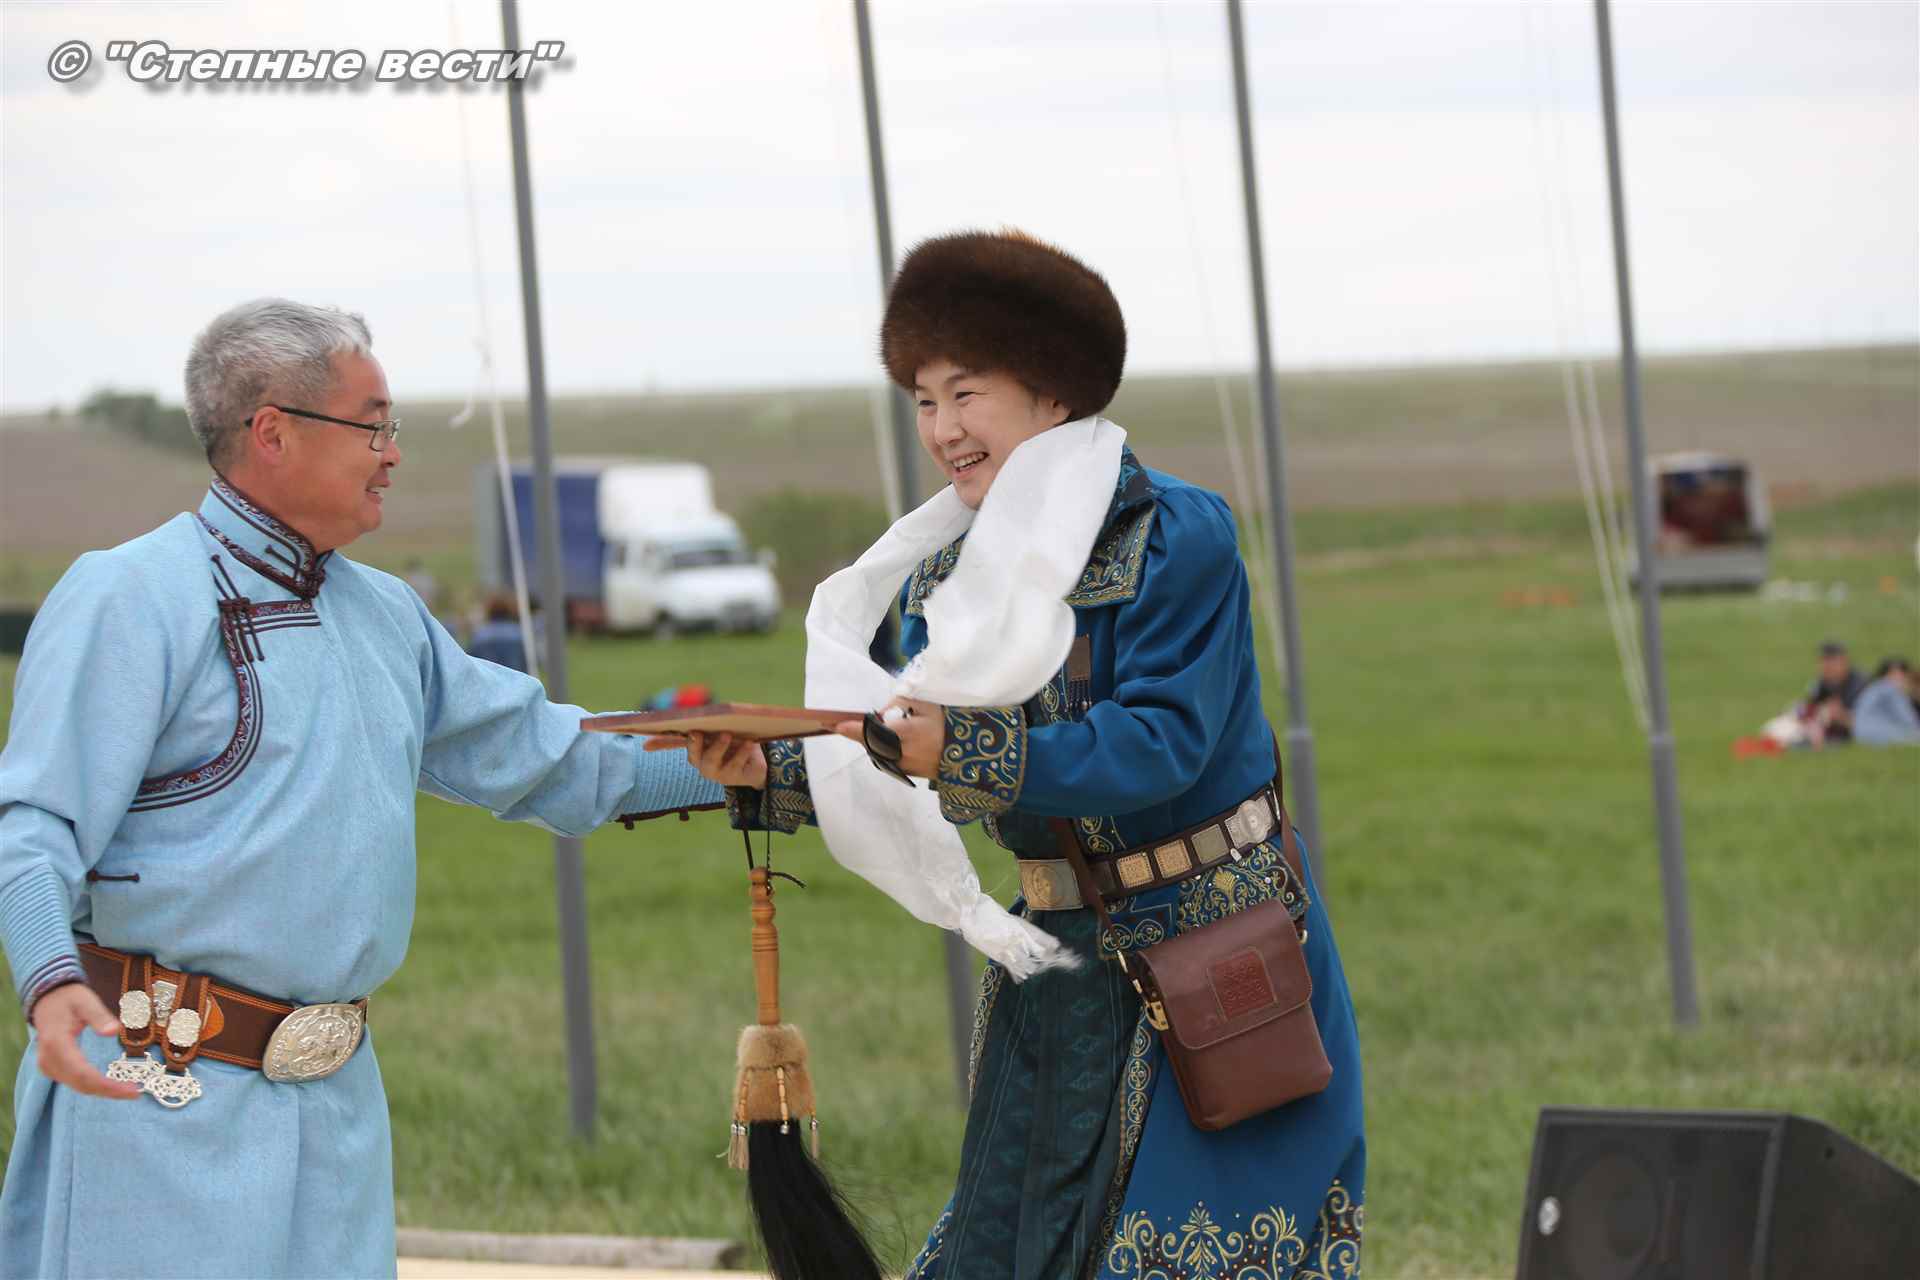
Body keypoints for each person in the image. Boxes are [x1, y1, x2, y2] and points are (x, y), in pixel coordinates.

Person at [674, 232, 1364, 1280]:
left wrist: (960, 745)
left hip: (1220, 960)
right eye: (923, 400)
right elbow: (909, 754)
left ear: (1052, 391)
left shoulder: (1176, 536)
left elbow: (1161, 742)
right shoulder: (948, 580)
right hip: (1059, 973)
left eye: (966, 393)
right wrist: (777, 773)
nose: (942, 429)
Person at [0, 299, 723, 1280]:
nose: (393, 453)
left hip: (337, 1126)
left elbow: (551, 755)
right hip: (155, 1107)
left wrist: (769, 762)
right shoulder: (128, 596)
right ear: (273, 432)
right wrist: (49, 981)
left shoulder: (387, 615)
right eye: (373, 425)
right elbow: (34, 821)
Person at [1799, 640, 1867, 745]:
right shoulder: (1822, 683)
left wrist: (1840, 715)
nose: (1826, 666)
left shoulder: (1860, 685)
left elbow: (1868, 722)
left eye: (1831, 661)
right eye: (1823, 660)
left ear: (1844, 662)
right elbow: (1810, 708)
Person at [1852, 657, 1920, 746]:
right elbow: (1908, 720)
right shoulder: (1889, 688)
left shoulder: (1874, 688)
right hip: (1880, 733)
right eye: (1894, 674)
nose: (1899, 679)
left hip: (1863, 734)